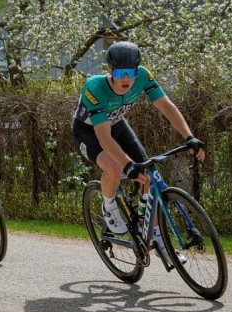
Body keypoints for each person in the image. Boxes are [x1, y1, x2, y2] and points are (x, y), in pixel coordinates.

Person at [71, 41, 205, 267]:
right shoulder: (93, 87)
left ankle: (160, 243)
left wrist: (189, 137)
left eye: (130, 73)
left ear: (137, 71)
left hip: (117, 124)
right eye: (120, 73)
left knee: (150, 176)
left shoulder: (143, 76)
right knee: (114, 167)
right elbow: (103, 137)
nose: (126, 79)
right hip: (89, 132)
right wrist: (127, 164)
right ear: (110, 72)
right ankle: (109, 204)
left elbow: (166, 106)